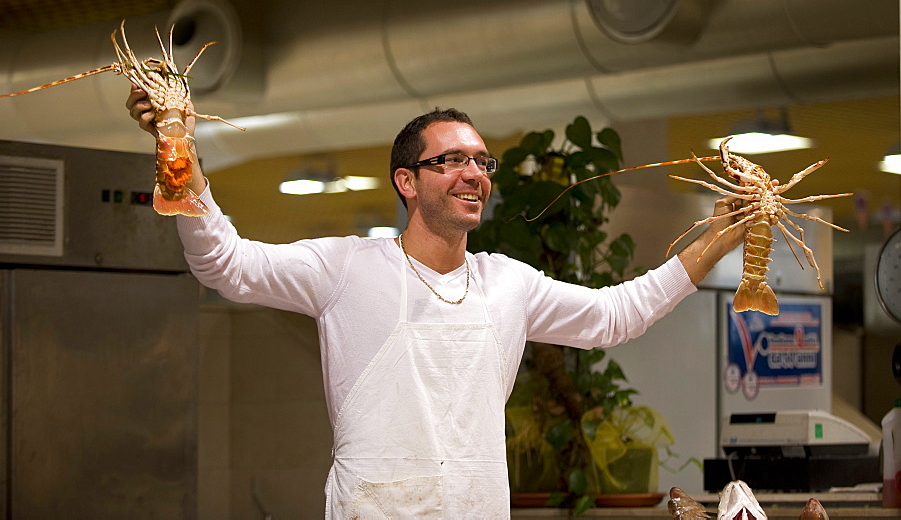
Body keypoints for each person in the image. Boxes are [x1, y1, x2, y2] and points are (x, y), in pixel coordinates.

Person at [127, 89, 744, 518]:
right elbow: (225, 264)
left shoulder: (508, 282)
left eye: (481, 160)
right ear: (407, 181)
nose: (473, 172)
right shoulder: (347, 268)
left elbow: (618, 314)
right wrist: (178, 149)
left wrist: (718, 240)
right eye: (451, 160)